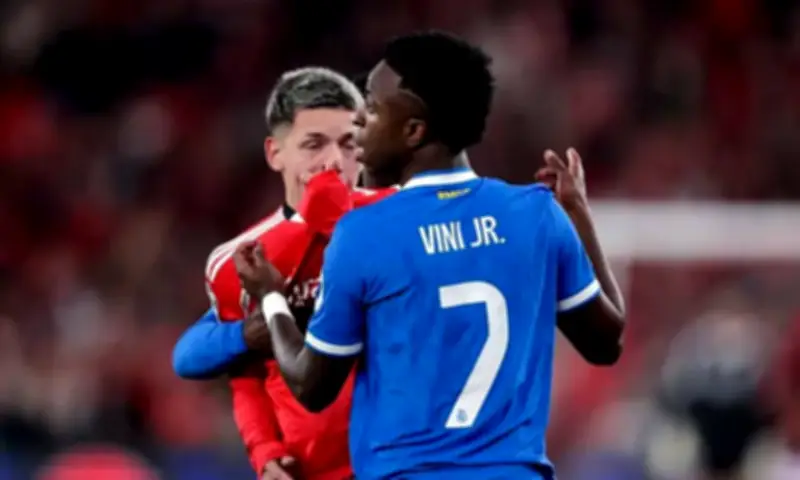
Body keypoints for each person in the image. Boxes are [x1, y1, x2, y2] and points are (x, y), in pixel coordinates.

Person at [235, 31, 626, 479]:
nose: (358, 121)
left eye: (373, 108)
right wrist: (578, 215)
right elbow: (606, 343)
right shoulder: (537, 214)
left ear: (414, 131)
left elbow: (310, 386)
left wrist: (271, 297)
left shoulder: (364, 232)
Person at [173, 66, 393, 480]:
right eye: (314, 144)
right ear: (275, 154)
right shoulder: (242, 260)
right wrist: (263, 450)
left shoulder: (401, 219)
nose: (334, 161)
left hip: (406, 464)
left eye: (348, 144)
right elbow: (245, 376)